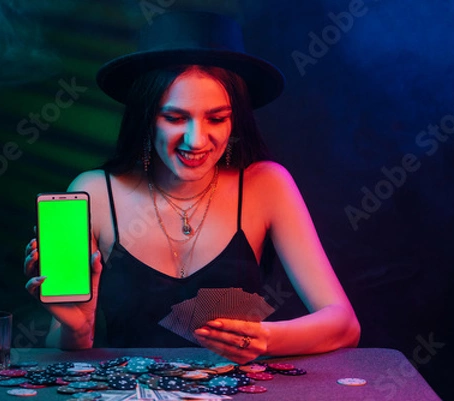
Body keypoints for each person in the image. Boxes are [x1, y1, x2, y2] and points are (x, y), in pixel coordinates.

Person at [24, 11, 360, 365]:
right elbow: (68, 351)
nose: (196, 140)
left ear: (235, 119)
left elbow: (344, 325)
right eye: (175, 118)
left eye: (217, 118)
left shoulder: (266, 185)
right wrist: (79, 327)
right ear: (146, 117)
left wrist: (265, 340)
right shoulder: (93, 192)